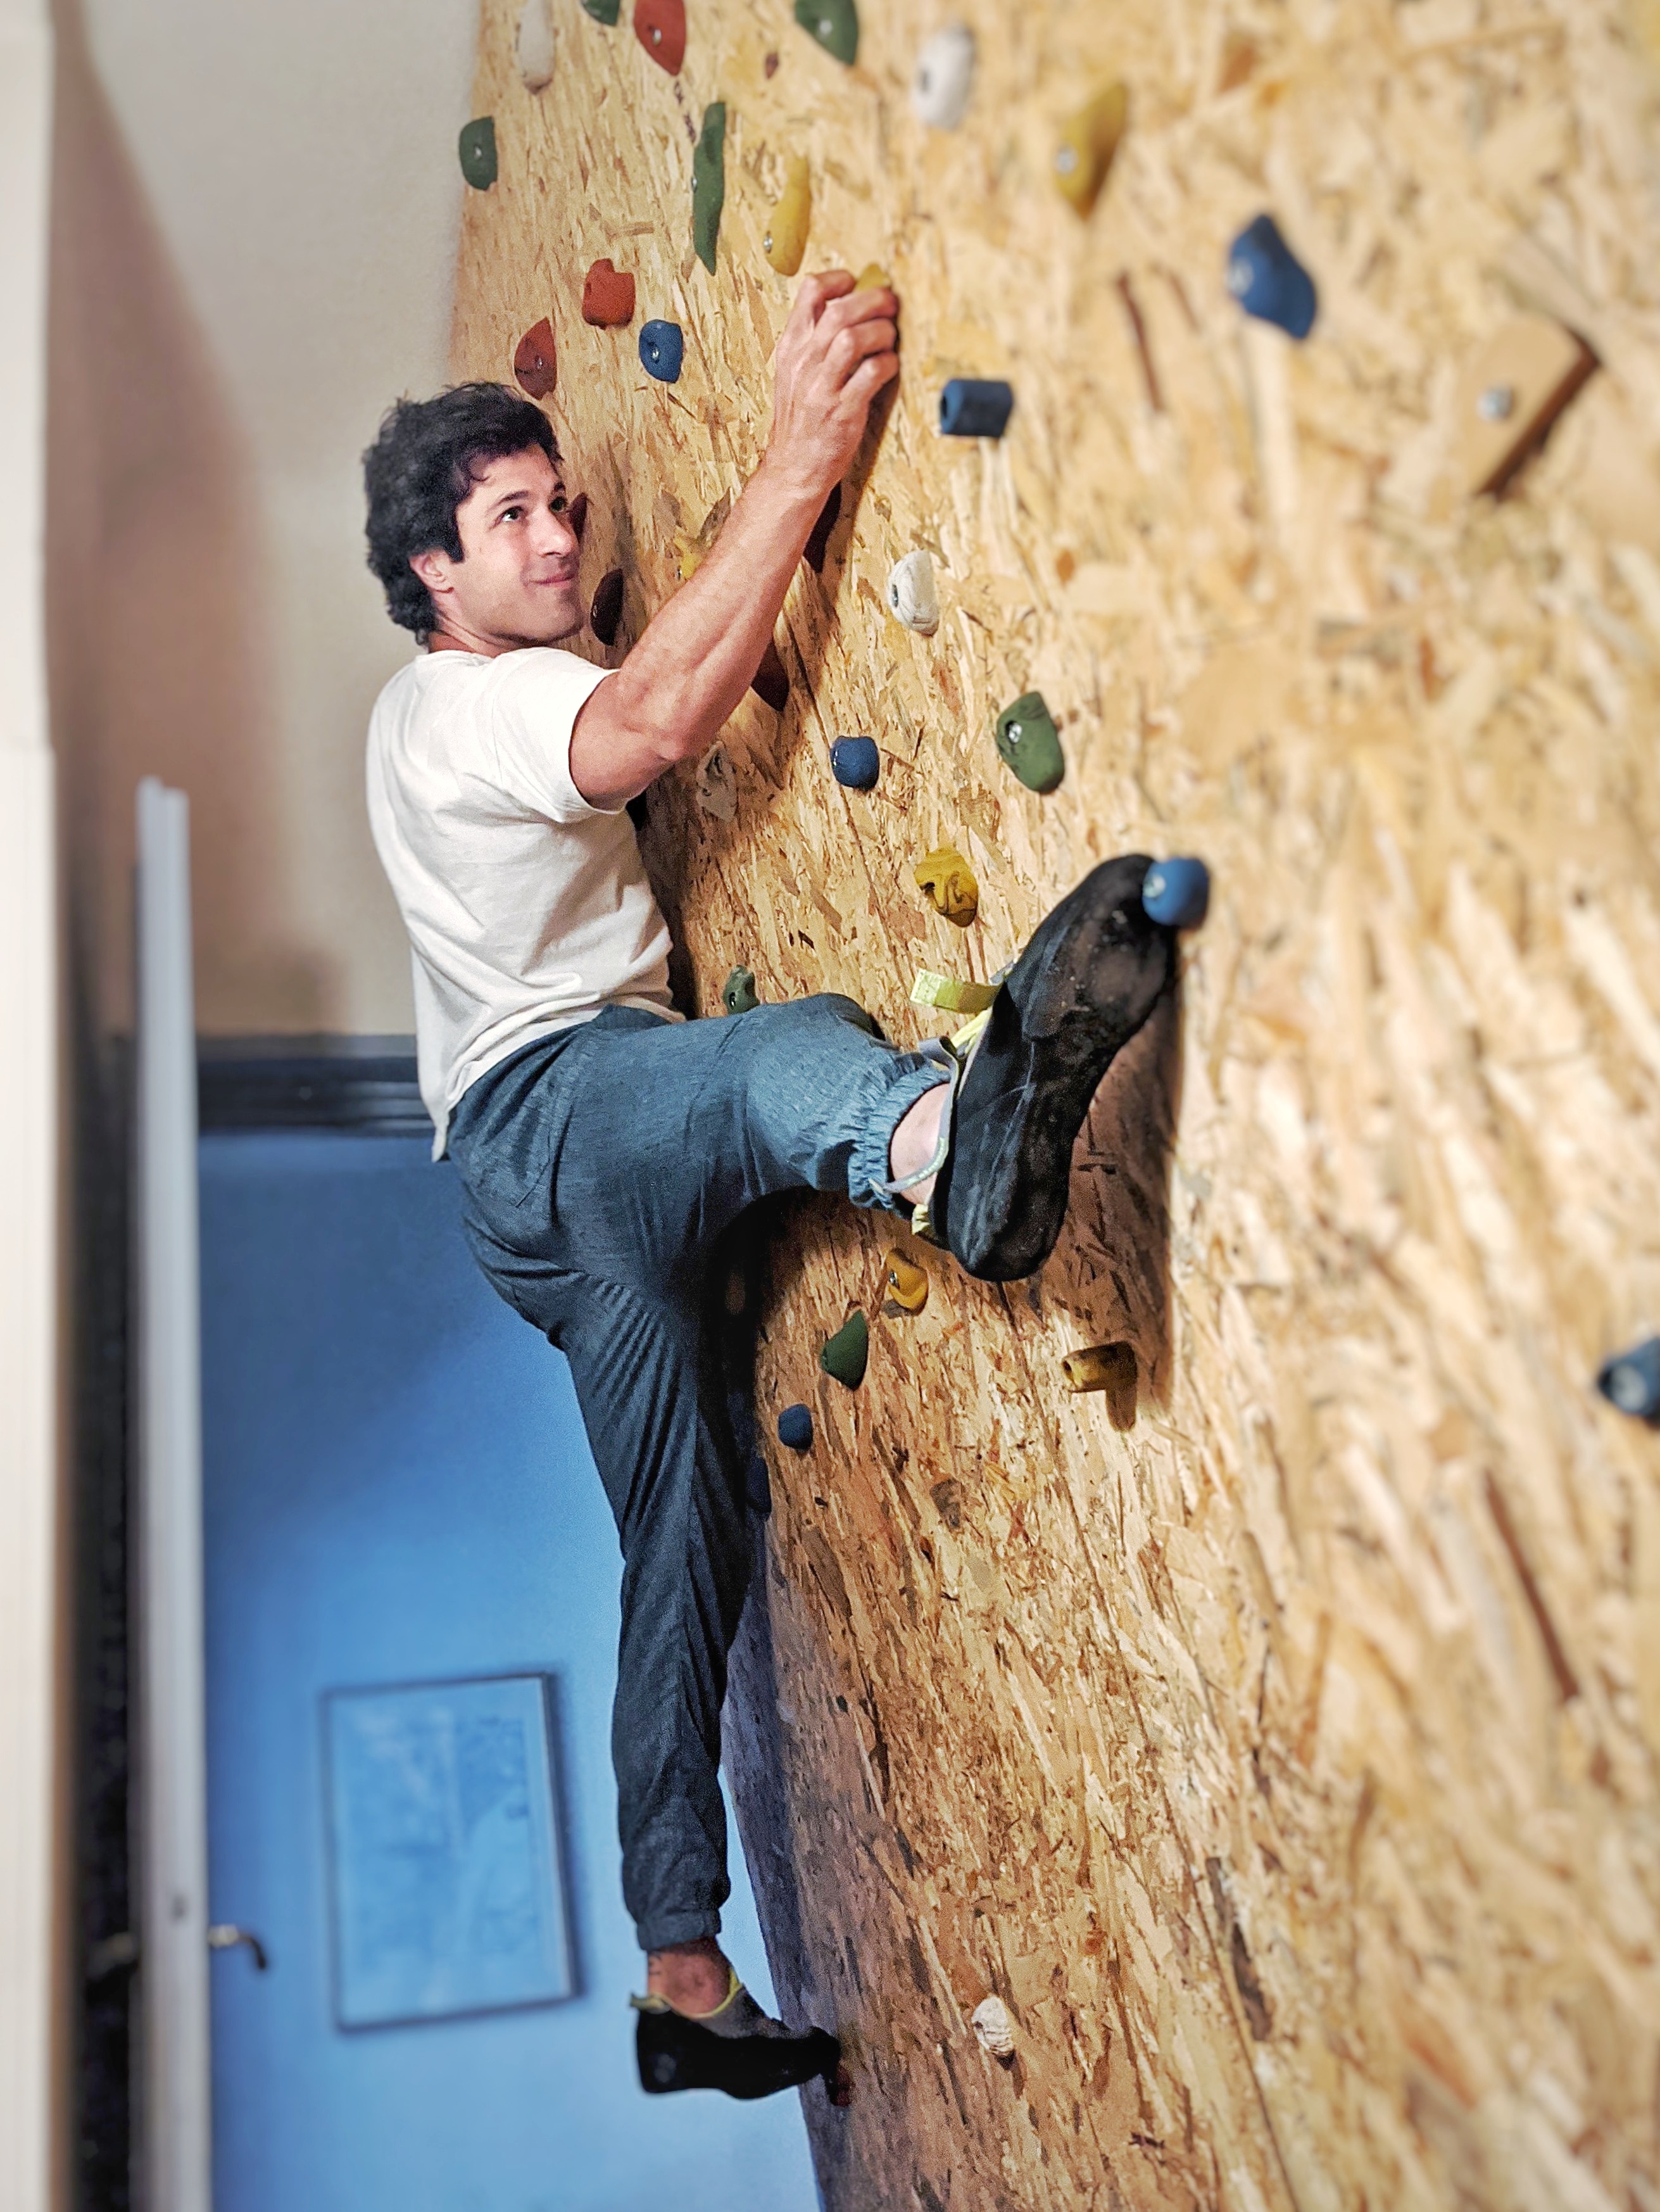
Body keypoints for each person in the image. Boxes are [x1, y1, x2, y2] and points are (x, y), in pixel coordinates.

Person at [361, 272, 1177, 2102]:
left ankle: (675, 1968)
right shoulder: (456, 706)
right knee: (765, 1059)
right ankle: (937, 1152)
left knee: (686, 1534)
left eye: (563, 501)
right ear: (435, 576)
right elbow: (645, 729)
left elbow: (635, 710)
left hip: (538, 1216)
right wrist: (804, 458)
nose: (561, 533)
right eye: (514, 520)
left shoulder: (464, 713)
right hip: (557, 1119)